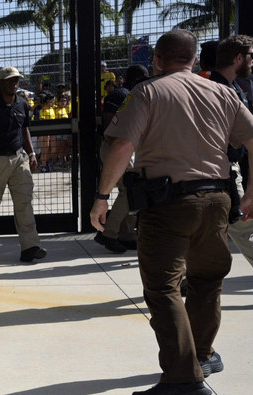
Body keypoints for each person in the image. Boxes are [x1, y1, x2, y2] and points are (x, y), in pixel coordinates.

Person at [90, 29, 253, 395]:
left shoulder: (146, 92)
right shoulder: (223, 92)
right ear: (195, 59)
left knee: (163, 288)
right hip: (218, 200)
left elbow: (122, 145)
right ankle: (203, 354)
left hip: (169, 205)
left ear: (157, 60)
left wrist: (102, 196)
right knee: (207, 282)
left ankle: (183, 380)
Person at [0, 66, 47, 263]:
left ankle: (30, 246)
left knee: (24, 202)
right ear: (0, 83)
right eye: (10, 80)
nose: (14, 83)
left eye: (16, 80)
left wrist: (31, 153)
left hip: (19, 159)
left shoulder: (22, 104)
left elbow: (25, 130)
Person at [94, 64, 149, 254]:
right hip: (116, 148)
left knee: (130, 189)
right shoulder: (120, 95)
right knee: (128, 189)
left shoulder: (134, 95)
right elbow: (110, 126)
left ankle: (126, 235)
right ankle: (108, 233)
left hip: (125, 147)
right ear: (140, 77)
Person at [210, 35, 253, 268]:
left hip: (228, 171)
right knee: (242, 227)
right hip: (221, 173)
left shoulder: (234, 87)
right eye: (251, 56)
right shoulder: (217, 90)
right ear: (239, 58)